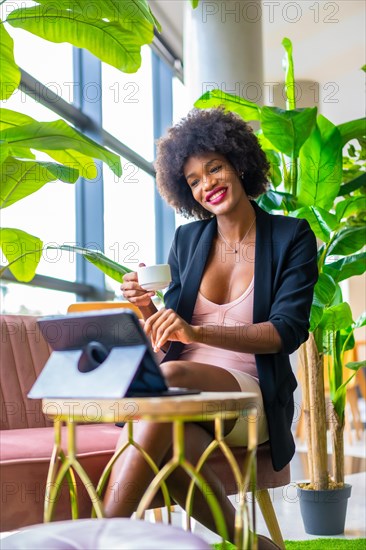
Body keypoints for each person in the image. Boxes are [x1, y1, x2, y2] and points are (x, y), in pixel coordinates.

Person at [103, 108, 318, 546]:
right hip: (180, 398)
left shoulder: (290, 237)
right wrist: (147, 309)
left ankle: (94, 537)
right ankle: (250, 543)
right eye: (194, 180)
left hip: (250, 394)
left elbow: (285, 332)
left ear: (239, 163)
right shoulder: (188, 241)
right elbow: (170, 335)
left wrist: (197, 333)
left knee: (170, 378)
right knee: (172, 427)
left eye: (214, 168)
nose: (207, 185)